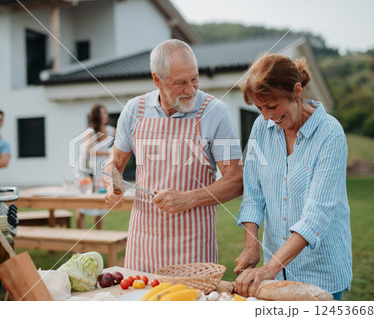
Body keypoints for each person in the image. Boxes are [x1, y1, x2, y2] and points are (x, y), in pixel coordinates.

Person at [103, 39, 243, 273]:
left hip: (193, 244)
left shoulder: (215, 112)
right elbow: (113, 164)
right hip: (143, 243)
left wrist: (189, 198)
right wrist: (111, 185)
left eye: (194, 79)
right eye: (180, 83)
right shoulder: (133, 110)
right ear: (157, 79)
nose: (190, 90)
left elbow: (236, 179)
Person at [234, 54, 352, 301]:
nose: (266, 116)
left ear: (297, 91)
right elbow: (254, 195)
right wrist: (251, 246)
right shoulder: (260, 128)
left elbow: (317, 215)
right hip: (276, 274)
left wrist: (268, 269)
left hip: (321, 272)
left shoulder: (330, 134)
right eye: (259, 108)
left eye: (272, 106)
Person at [77, 104, 116, 229]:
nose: (105, 116)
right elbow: (89, 151)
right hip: (87, 172)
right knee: (83, 205)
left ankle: (98, 238)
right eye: (102, 113)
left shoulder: (110, 130)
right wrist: (109, 152)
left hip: (101, 171)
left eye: (105, 113)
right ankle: (80, 239)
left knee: (99, 205)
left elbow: (125, 136)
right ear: (96, 116)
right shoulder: (90, 132)